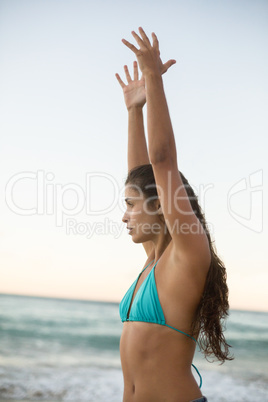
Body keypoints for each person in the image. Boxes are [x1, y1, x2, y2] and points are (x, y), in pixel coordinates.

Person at [115, 27, 232, 402]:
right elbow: (143, 177)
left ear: (160, 206)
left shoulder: (186, 255)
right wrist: (135, 111)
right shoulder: (154, 260)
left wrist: (153, 78)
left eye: (130, 206)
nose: (124, 216)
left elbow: (162, 164)